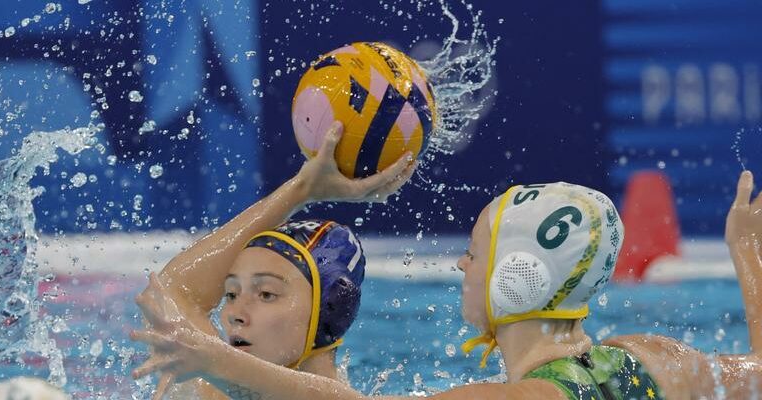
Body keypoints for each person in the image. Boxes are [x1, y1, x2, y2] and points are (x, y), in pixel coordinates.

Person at [132, 170, 762, 399]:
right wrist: (749, 254)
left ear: (520, 277)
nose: (462, 267)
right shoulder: (653, 358)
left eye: (474, 253)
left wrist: (216, 359)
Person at [132, 121, 417, 399]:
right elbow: (170, 290)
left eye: (266, 294)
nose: (234, 314)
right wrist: (301, 189)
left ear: (328, 312)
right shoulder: (213, 388)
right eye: (230, 294)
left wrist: (216, 360)